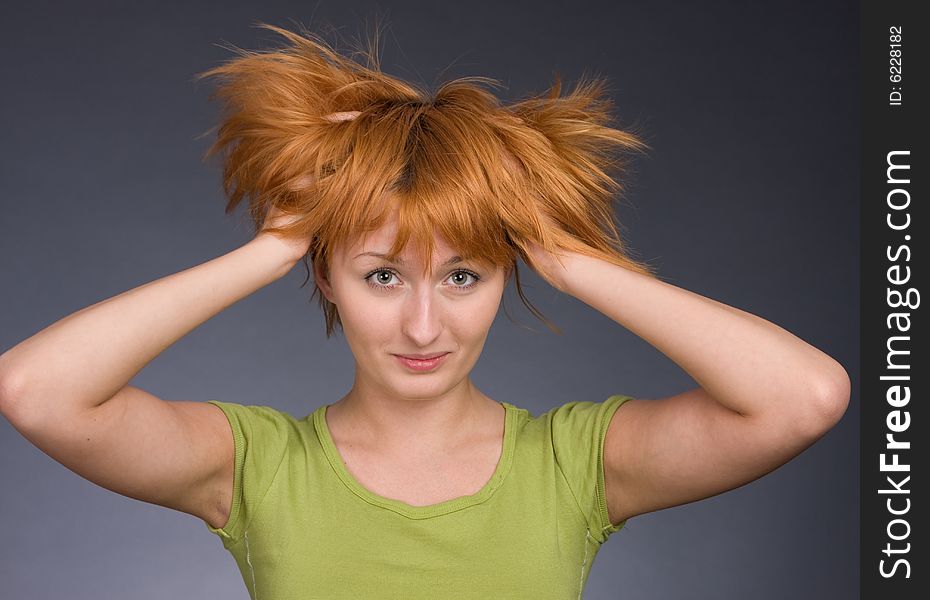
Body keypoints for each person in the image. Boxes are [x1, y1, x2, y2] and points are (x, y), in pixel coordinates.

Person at [0, 22, 850, 599]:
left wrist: (564, 253)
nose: (422, 327)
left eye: (463, 277)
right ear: (326, 279)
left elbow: (803, 397)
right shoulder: (254, 466)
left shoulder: (574, 466)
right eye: (380, 277)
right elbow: (36, 390)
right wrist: (276, 244)